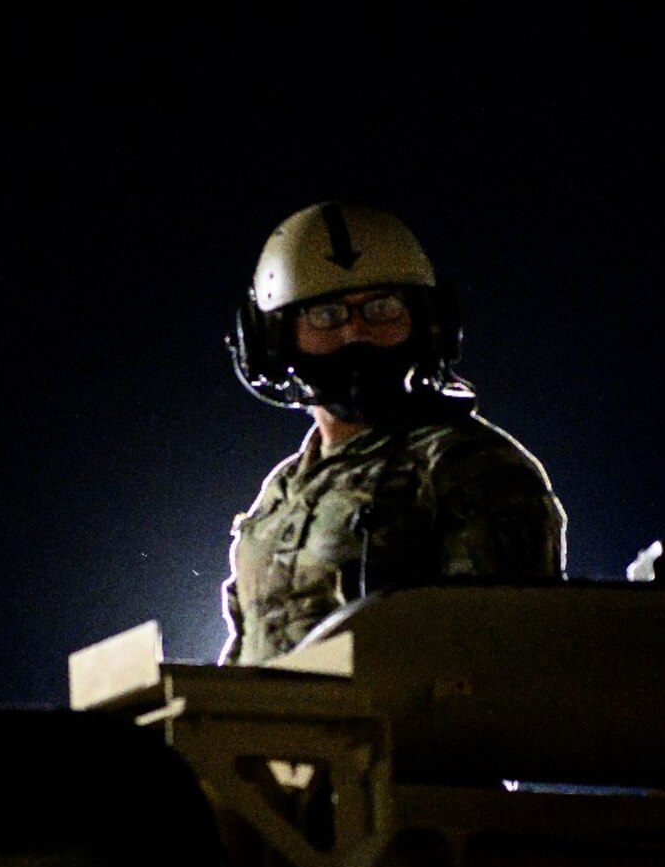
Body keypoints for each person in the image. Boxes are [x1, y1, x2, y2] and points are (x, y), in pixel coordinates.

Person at [221, 202, 566, 665]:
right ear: (276, 337)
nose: (357, 331)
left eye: (382, 308)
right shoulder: (282, 493)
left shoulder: (464, 467)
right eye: (326, 315)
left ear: (425, 321)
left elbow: (501, 667)